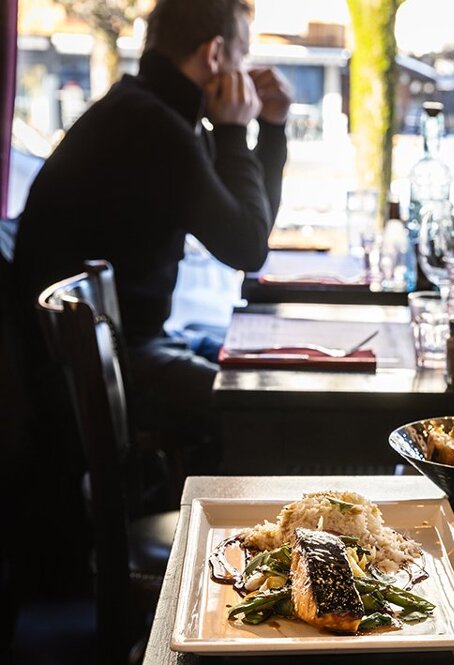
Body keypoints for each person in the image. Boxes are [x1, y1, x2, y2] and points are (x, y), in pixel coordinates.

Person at [13, 0, 290, 454]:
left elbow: (248, 227)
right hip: (107, 366)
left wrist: (271, 128)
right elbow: (247, 249)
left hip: (124, 345)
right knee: (264, 408)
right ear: (215, 54)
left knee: (265, 368)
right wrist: (236, 131)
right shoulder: (151, 126)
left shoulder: (147, 109)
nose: (247, 69)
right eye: (243, 54)